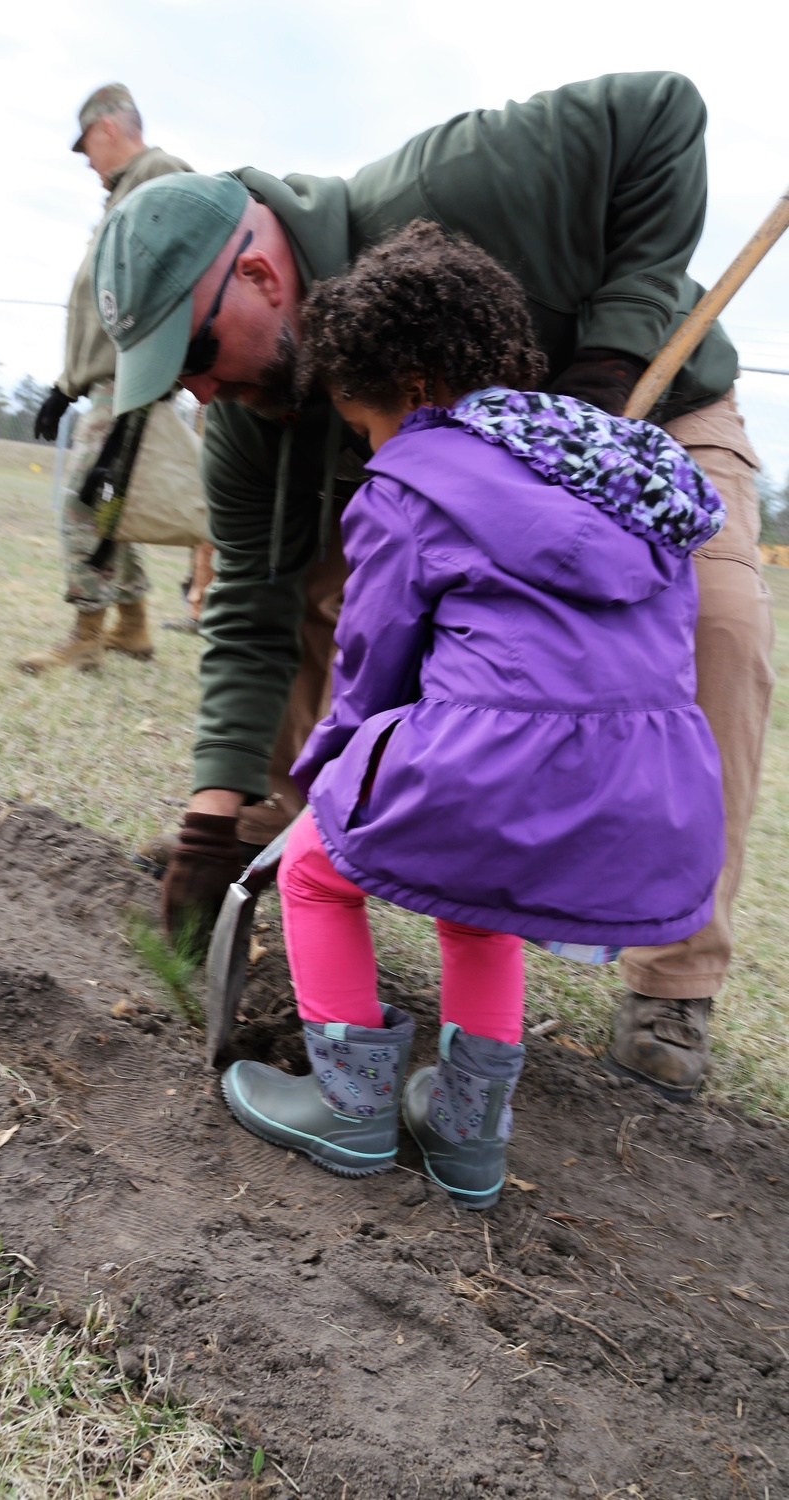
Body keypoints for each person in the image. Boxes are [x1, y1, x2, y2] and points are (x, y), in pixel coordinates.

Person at [93, 72, 774, 1099]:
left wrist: (606, 361)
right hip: (424, 473)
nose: (197, 390)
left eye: (192, 352)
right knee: (336, 598)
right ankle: (272, 830)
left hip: (638, 422)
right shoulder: (249, 413)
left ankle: (671, 980)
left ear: (261, 279)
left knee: (714, 625)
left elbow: (662, 112)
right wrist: (208, 809)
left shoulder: (463, 178)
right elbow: (251, 611)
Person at [221, 223, 725, 1206]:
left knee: (320, 874)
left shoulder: (413, 480)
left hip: (496, 756)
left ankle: (352, 1108)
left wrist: (320, 785)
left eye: (362, 425)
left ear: (410, 390)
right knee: (475, 900)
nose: (371, 447)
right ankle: (465, 1134)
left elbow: (368, 673)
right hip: (653, 788)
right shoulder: (627, 475)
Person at [19, 83, 191, 674]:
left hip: (132, 386)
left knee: (83, 507)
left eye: (87, 147)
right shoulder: (123, 193)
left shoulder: (159, 171)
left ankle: (86, 637)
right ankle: (134, 627)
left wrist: (158, 374)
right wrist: (66, 385)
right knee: (111, 508)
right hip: (109, 383)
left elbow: (186, 271)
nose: (88, 162)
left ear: (106, 130)